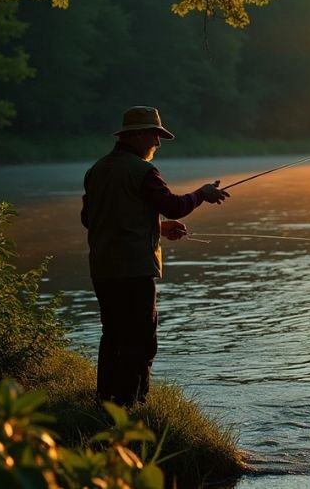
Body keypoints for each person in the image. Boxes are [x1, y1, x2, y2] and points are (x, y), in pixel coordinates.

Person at [81, 105, 230, 406]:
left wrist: (157, 227)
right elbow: (174, 205)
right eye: (154, 135)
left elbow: (92, 218)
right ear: (135, 135)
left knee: (112, 335)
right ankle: (133, 403)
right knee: (141, 339)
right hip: (134, 268)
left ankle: (107, 399)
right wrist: (202, 193)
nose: (158, 143)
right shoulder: (144, 172)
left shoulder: (96, 170)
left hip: (103, 267)